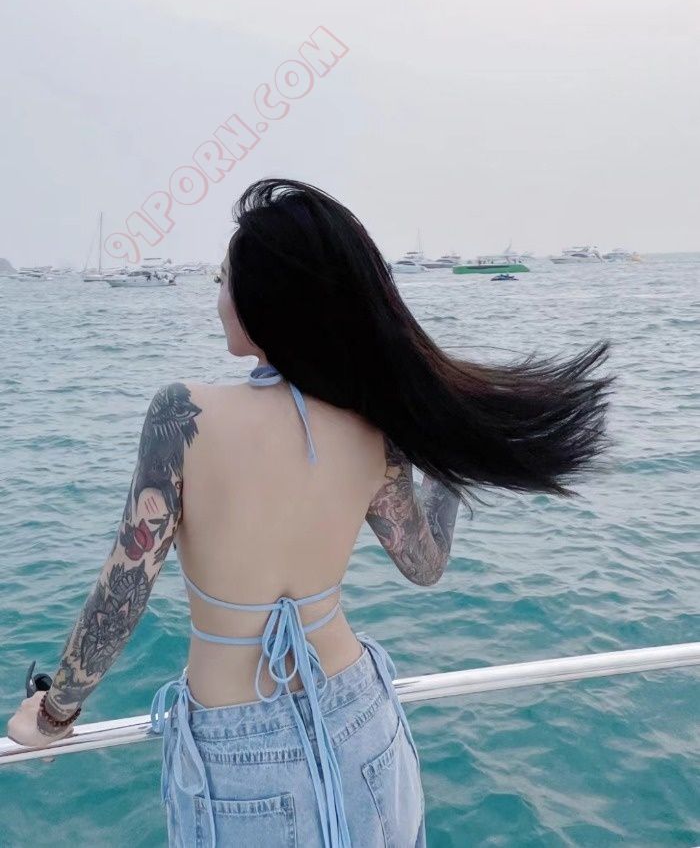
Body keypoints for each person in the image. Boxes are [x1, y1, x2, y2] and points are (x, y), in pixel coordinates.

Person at [7, 178, 612, 846]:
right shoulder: (374, 426)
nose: (218, 298)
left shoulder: (183, 414)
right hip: (362, 715)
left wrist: (54, 712)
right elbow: (425, 563)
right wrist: (444, 450)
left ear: (267, 299)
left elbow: (124, 590)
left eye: (224, 281)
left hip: (238, 754)